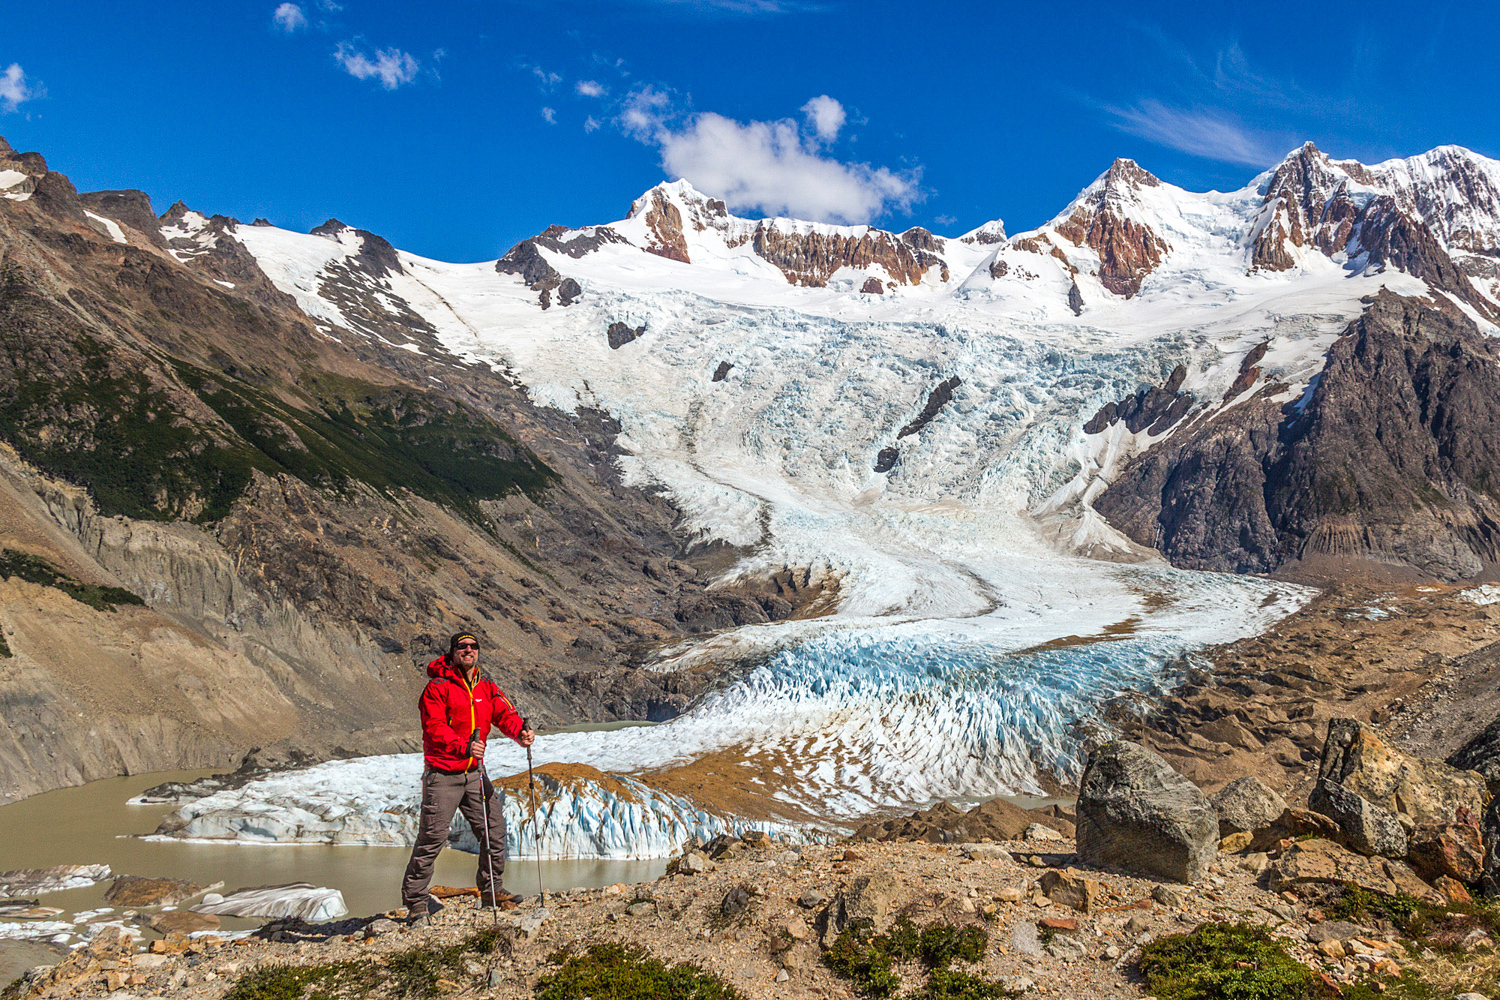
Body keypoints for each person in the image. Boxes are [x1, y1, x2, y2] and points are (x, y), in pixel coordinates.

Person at [400, 632, 534, 923]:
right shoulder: (437, 687)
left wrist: (520, 732)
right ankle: (416, 902)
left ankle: (492, 891)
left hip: (475, 774)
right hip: (443, 774)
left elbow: (504, 715)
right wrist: (463, 746)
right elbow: (433, 726)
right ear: (452, 652)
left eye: (473, 646)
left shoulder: (485, 686)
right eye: (462, 646)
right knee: (432, 839)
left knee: (494, 832)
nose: (469, 650)